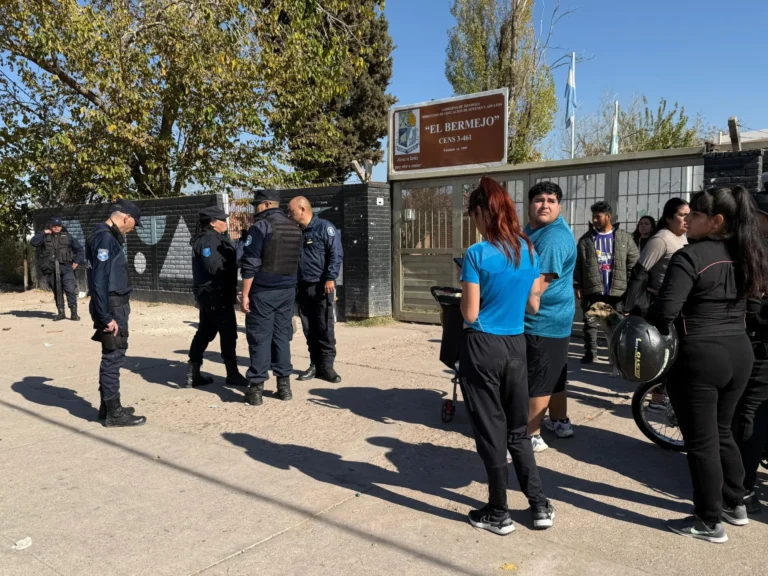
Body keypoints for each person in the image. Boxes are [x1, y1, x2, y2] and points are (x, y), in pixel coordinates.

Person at [646, 186, 768, 543]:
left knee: (701, 442)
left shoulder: (692, 256)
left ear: (715, 221)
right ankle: (736, 502)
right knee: (723, 431)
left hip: (701, 354)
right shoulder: (748, 253)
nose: (686, 220)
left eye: (694, 215)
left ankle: (707, 519)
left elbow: (665, 312)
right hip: (740, 352)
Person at [458, 176, 554, 535]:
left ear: (484, 211)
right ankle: (539, 504)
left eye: (474, 215)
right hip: (517, 345)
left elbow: (469, 314)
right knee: (518, 431)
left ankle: (499, 512)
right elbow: (532, 304)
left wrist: (465, 283)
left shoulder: (476, 254)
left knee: (490, 433)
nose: (476, 222)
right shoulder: (529, 250)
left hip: (482, 346)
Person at [522, 181, 577, 453]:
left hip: (544, 319)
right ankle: (560, 421)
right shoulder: (532, 230)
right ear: (530, 204)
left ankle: (532, 434)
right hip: (553, 318)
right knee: (554, 376)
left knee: (540, 379)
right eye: (539, 199)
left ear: (559, 206)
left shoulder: (554, 238)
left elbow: (536, 291)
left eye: (551, 200)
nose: (545, 205)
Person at [624, 198, 689, 410]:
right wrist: (631, 307)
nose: (686, 219)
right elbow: (639, 273)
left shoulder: (682, 238)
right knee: (666, 354)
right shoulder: (661, 239)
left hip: (680, 304)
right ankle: (656, 398)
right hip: (661, 303)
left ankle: (663, 395)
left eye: (689, 215)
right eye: (682, 215)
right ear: (669, 217)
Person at [87, 199, 146, 427]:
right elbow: (100, 280)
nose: (132, 229)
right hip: (112, 305)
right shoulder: (105, 238)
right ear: (125, 218)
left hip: (110, 303)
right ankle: (114, 413)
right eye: (134, 224)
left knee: (111, 353)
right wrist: (105, 316)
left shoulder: (101, 235)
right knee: (114, 356)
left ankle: (107, 406)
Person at [240, 189, 303, 406]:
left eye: (256, 204)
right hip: (287, 291)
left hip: (264, 292)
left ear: (266, 204)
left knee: (260, 338)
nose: (254, 209)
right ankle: (284, 387)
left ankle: (256, 390)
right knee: (281, 337)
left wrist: (245, 294)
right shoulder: (294, 227)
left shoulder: (260, 227)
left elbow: (250, 264)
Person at [184, 205, 248, 388]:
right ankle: (232, 373)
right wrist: (236, 256)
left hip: (213, 295)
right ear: (212, 223)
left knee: (205, 332)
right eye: (222, 220)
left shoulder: (212, 239)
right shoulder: (208, 241)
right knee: (228, 334)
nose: (225, 222)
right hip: (215, 295)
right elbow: (214, 267)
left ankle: (193, 373)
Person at [733, 191, 768, 515]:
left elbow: (758, 312)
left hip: (762, 351)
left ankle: (742, 490)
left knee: (751, 417)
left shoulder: (761, 254)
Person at [287, 196, 344, 384]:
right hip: (302, 287)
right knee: (309, 328)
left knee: (324, 327)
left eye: (291, 211)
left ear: (302, 209)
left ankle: (327, 367)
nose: (289, 214)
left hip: (322, 287)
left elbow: (336, 254)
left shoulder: (324, 227)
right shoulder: (296, 231)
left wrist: (330, 278)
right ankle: (314, 364)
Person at [574, 201, 638, 364]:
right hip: (592, 288)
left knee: (618, 325)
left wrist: (631, 287)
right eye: (593, 216)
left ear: (608, 217)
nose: (594, 220)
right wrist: (577, 284)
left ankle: (618, 356)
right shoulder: (586, 240)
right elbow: (578, 264)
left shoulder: (624, 238)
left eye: (598, 216)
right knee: (590, 323)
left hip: (617, 290)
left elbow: (633, 264)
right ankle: (591, 353)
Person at [31, 217, 85, 321]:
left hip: (66, 268)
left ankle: (74, 313)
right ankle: (61, 313)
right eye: (54, 226)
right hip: (51, 269)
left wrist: (76, 262)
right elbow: (34, 242)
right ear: (50, 226)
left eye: (58, 226)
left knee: (70, 290)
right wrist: (43, 232)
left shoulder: (67, 237)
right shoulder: (44, 237)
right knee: (57, 291)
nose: (56, 227)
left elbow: (80, 249)